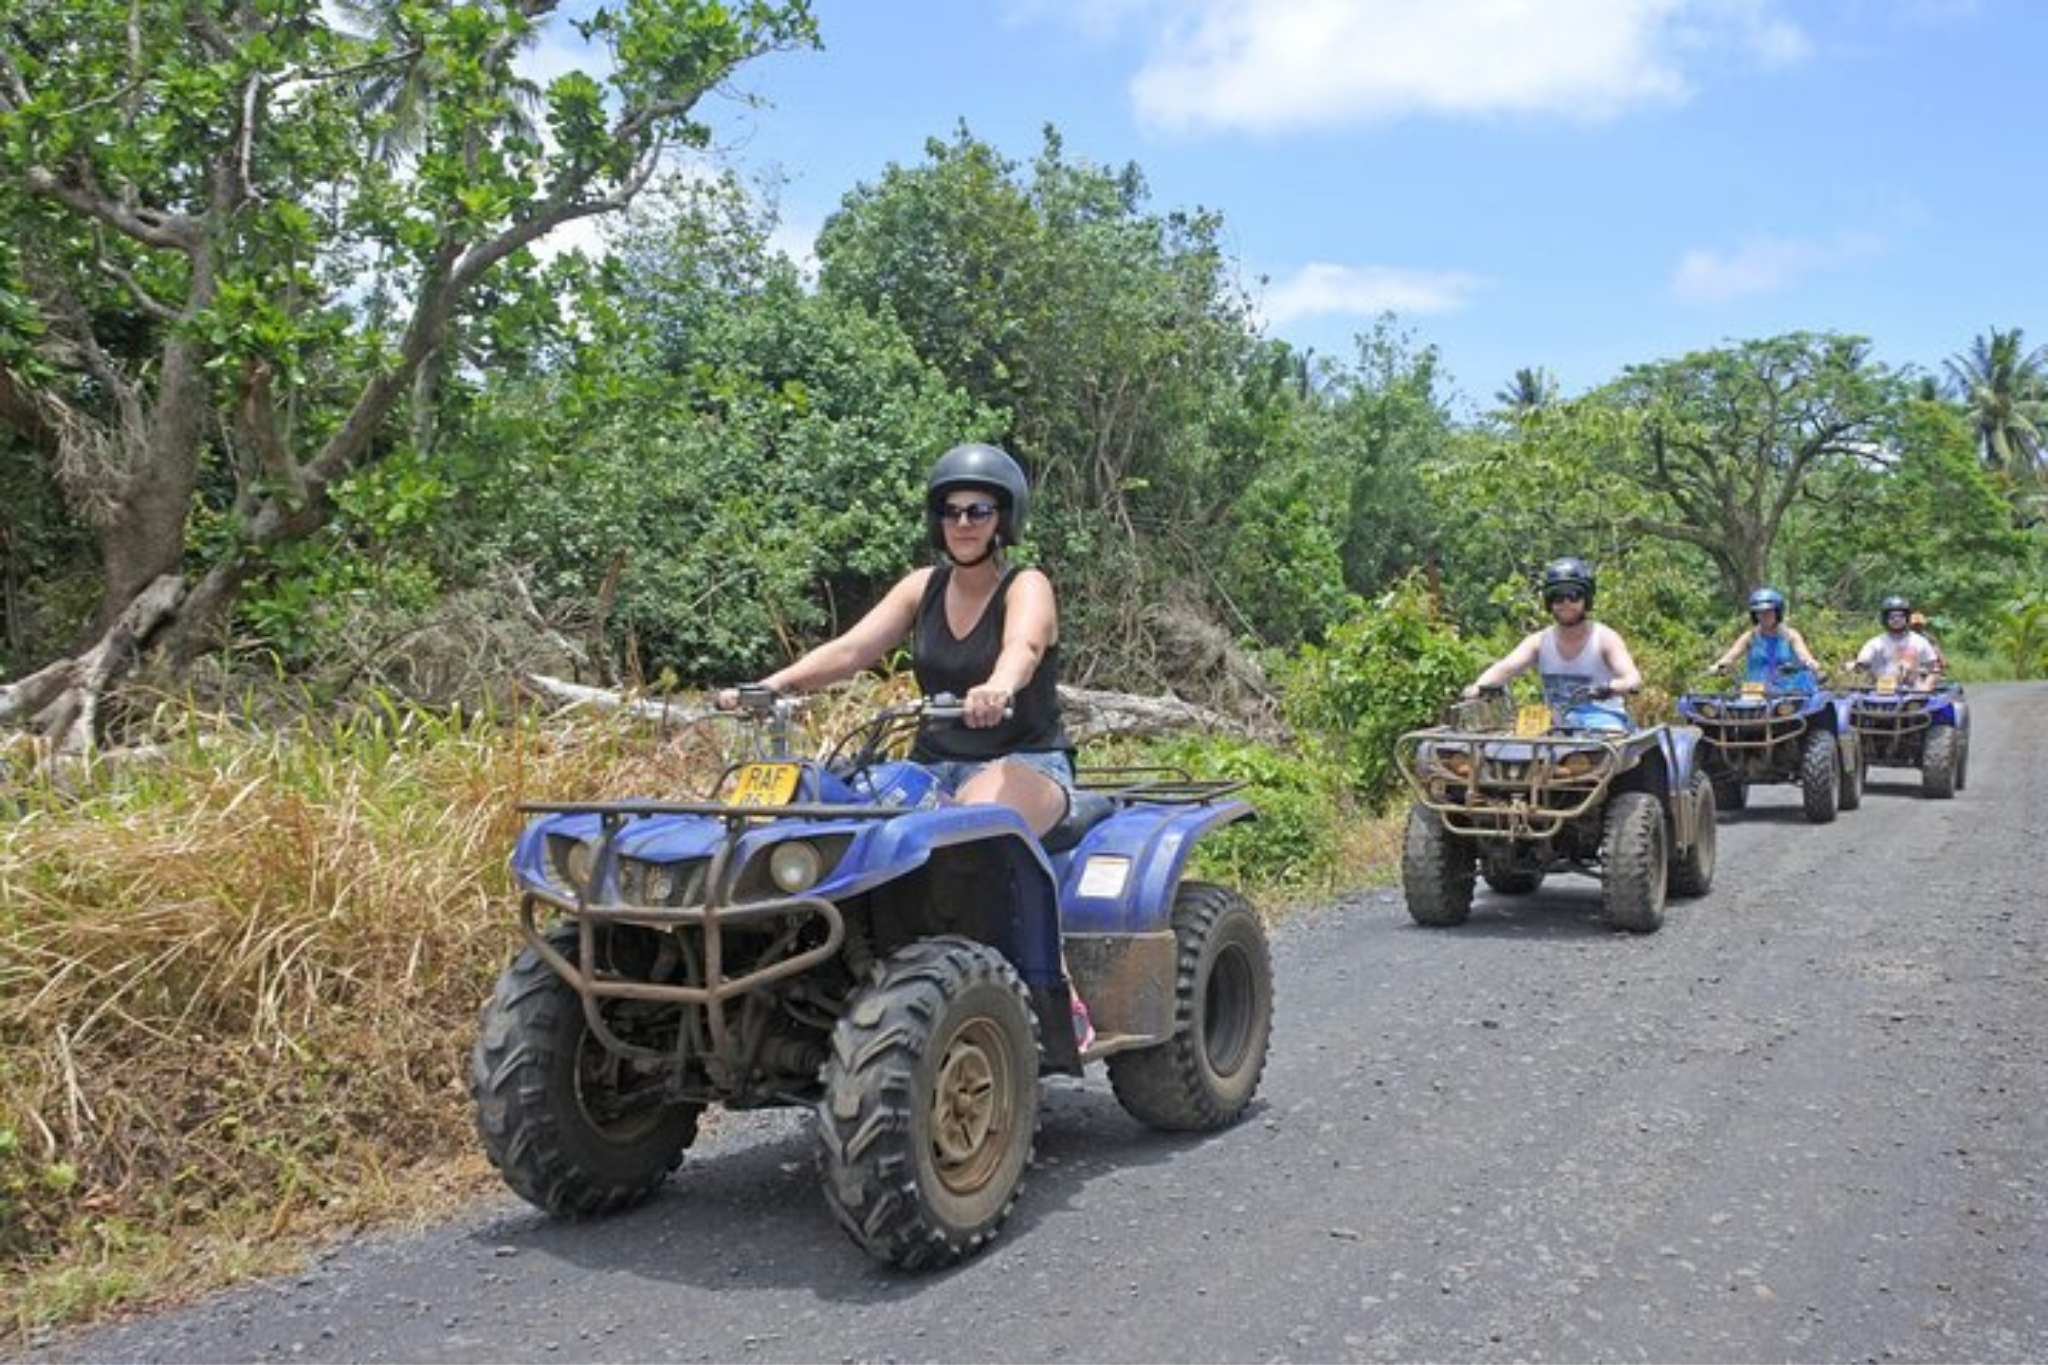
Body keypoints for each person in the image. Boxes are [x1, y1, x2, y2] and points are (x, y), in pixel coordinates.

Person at [717, 442, 1093, 1046]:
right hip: (930, 765)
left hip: (1024, 761)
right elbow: (852, 650)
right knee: (830, 807)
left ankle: (1058, 993)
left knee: (975, 829)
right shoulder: (922, 587)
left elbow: (1022, 647)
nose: (964, 523)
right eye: (952, 511)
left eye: (979, 510)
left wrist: (998, 686)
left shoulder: (1027, 584)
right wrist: (773, 684)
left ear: (1005, 518)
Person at [1463, 557, 1644, 731]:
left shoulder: (1605, 638)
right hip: (1554, 720)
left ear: (1586, 600)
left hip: (1601, 716)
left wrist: (1612, 688)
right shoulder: (1538, 641)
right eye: (1558, 597)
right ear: (1549, 603)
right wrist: (1478, 688)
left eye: (1573, 596)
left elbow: (1633, 678)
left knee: (1605, 750)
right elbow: (1505, 668)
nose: (1566, 603)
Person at [1708, 587, 1822, 686]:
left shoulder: (1791, 635)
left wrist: (1811, 663)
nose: (1764, 616)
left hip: (1790, 692)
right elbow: (1730, 656)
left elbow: (1804, 655)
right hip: (1756, 690)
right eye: (1760, 612)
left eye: (1769, 612)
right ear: (1755, 615)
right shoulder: (1749, 636)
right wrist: (1717, 666)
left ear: (1777, 613)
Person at [1854, 595, 1942, 687]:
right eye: (1892, 616)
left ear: (1907, 618)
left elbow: (1934, 668)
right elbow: (1862, 663)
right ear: (1885, 619)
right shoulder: (1874, 643)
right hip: (1879, 692)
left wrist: (1926, 687)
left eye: (1900, 616)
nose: (1896, 619)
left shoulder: (1920, 641)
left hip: (1914, 693)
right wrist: (1856, 665)